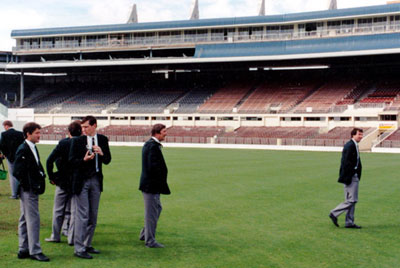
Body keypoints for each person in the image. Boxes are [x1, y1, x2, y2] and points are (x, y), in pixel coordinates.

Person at [69, 116, 111, 259]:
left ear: (94, 126)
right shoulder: (77, 141)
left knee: (93, 215)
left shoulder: (103, 140)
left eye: (86, 127)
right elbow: (71, 161)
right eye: (82, 127)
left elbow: (108, 160)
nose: (84, 130)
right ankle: (79, 248)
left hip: (96, 181)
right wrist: (83, 160)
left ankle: (87, 244)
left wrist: (102, 153)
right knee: (83, 215)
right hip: (82, 181)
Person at [13, 122, 49, 262]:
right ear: (28, 134)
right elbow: (17, 171)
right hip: (28, 190)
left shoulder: (31, 147)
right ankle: (35, 251)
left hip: (29, 189)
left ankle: (23, 248)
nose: (39, 135)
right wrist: (30, 185)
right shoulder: (23, 148)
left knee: (24, 218)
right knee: (33, 220)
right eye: (37, 133)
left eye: (39, 133)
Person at [45, 121, 82, 244]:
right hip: (76, 181)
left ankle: (55, 235)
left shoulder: (63, 143)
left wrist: (51, 176)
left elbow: (49, 160)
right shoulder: (82, 144)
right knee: (73, 210)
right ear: (81, 131)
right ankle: (71, 237)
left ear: (69, 132)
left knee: (58, 210)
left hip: (62, 180)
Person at [139, 124, 171, 248]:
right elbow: (153, 167)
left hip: (152, 185)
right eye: (164, 131)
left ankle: (144, 234)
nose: (165, 133)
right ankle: (150, 240)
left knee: (156, 209)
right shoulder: (152, 146)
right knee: (151, 214)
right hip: (151, 186)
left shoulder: (152, 145)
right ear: (157, 133)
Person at [329, 128, 363, 229]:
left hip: (351, 175)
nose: (361, 137)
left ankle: (349, 222)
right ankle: (334, 213)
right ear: (353, 135)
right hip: (350, 176)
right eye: (359, 135)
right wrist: (352, 174)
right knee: (352, 200)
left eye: (362, 135)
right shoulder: (350, 145)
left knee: (349, 199)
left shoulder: (353, 145)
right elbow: (345, 162)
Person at [0, 120, 25, 199]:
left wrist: (4, 154)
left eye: (4, 126)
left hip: (10, 157)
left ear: (6, 126)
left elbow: (1, 146)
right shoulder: (20, 134)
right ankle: (21, 193)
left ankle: (14, 194)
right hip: (20, 157)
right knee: (20, 174)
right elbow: (23, 145)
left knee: (12, 175)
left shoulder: (4, 134)